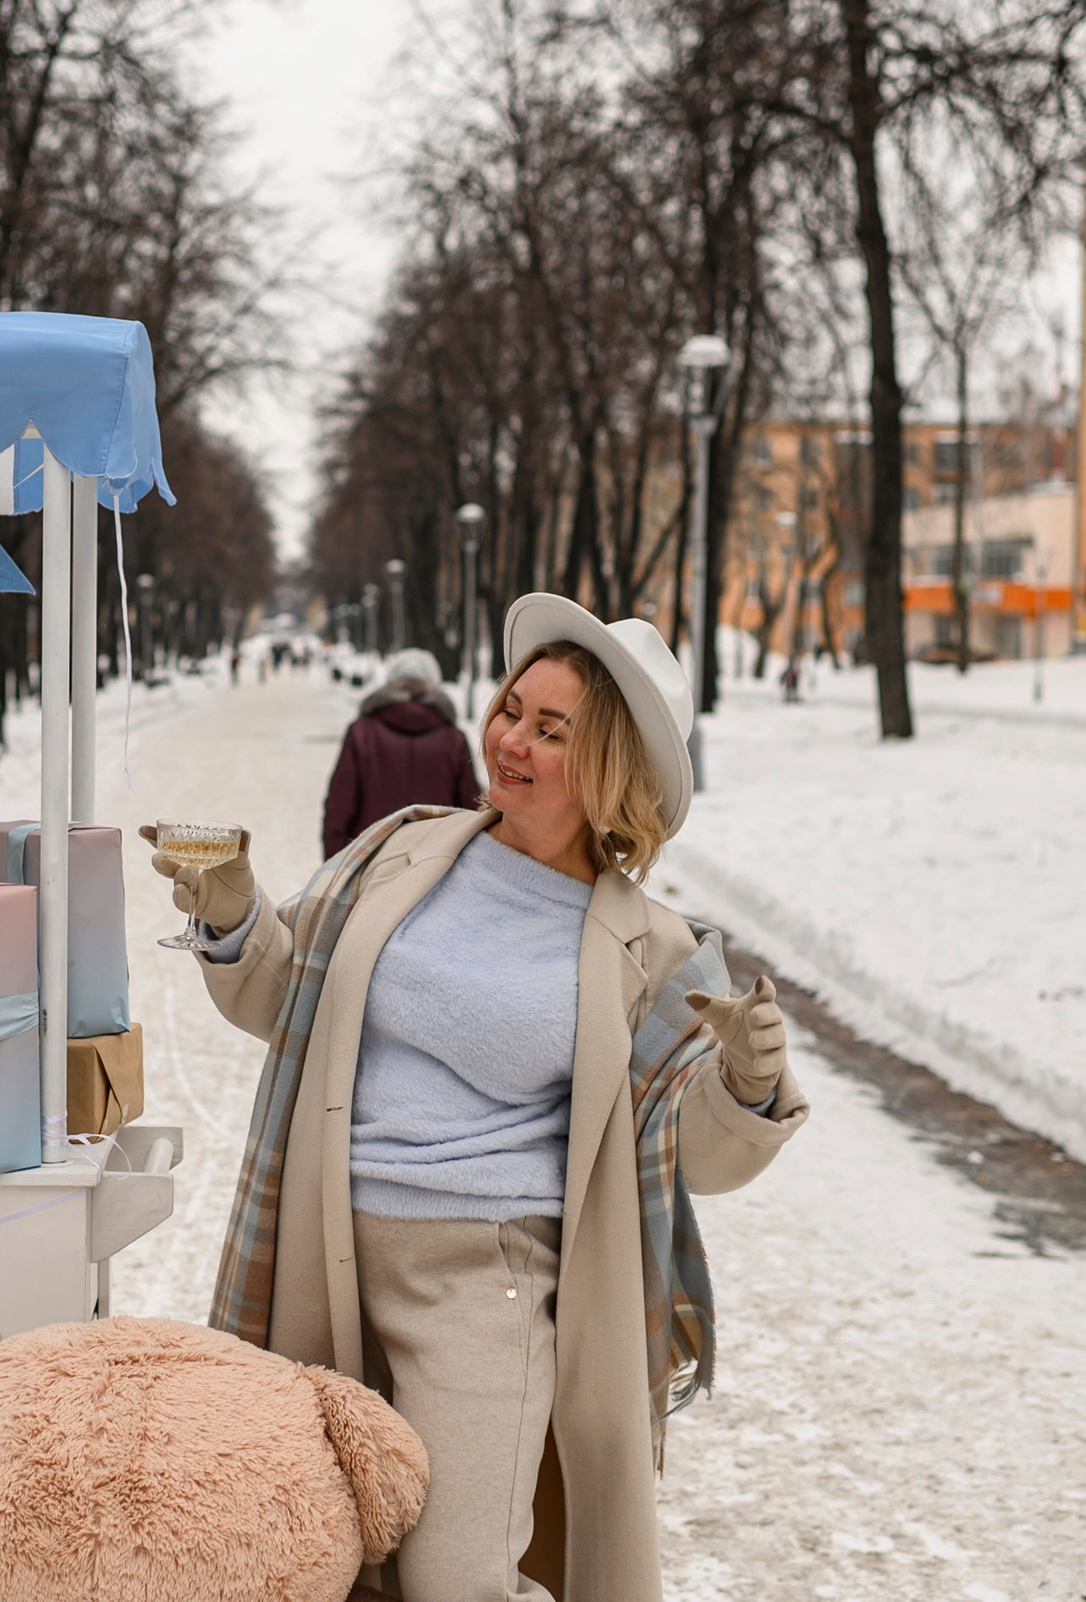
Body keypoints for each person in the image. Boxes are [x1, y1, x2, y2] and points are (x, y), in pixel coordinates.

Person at [149, 594, 809, 1602]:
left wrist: (748, 1082)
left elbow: (685, 1157)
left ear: (611, 771)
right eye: (511, 710)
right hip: (323, 1253)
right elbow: (291, 997)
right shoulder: (402, 849)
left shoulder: (652, 945)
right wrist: (234, 907)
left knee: (456, 1575)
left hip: (483, 1285)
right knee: (294, 1559)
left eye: (554, 730)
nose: (511, 741)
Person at [322, 648, 483, 858]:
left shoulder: (362, 732)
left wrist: (334, 865)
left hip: (370, 861)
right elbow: (471, 809)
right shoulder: (452, 738)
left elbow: (340, 805)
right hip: (436, 865)